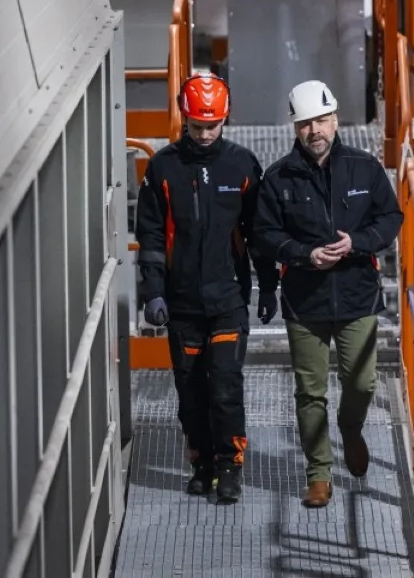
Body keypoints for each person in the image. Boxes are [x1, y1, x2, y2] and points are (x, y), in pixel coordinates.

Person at [252, 80, 404, 508]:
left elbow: (391, 217)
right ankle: (318, 473)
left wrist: (357, 242)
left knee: (362, 381)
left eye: (320, 120)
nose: (314, 130)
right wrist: (305, 254)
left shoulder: (364, 168)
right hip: (306, 299)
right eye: (305, 123)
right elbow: (265, 235)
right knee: (309, 390)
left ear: (335, 120)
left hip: (357, 295)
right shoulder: (278, 178)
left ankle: (350, 426)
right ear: (295, 128)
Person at [134, 73, 277, 504]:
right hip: (181, 303)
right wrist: (153, 292)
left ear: (225, 120)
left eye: (212, 126)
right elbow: (153, 237)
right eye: (197, 126)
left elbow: (259, 233)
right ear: (185, 118)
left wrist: (268, 286)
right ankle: (201, 464)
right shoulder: (163, 169)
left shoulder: (243, 166)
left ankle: (230, 467)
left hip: (228, 299)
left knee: (225, 386)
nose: (204, 134)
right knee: (191, 391)